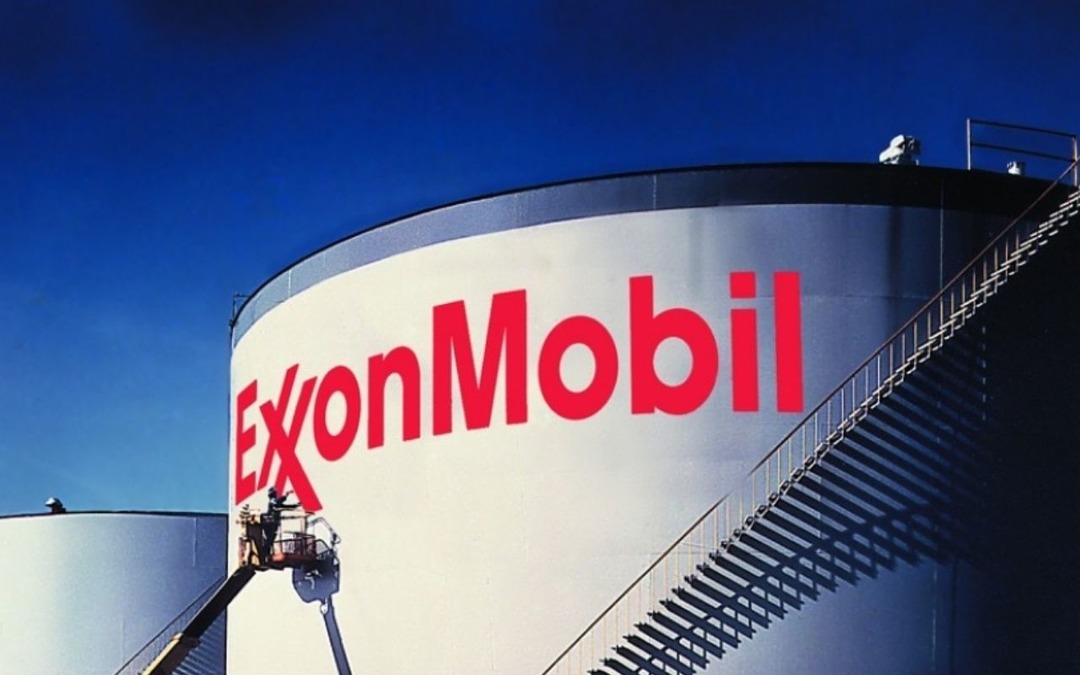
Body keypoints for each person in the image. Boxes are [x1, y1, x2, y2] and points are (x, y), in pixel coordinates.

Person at [259, 486, 299, 564]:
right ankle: (264, 554)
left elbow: (283, 506)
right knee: (269, 539)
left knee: (271, 540)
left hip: (273, 524)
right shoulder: (272, 501)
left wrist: (295, 505)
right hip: (270, 524)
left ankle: (266, 554)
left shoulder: (275, 503)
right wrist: (286, 495)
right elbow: (278, 503)